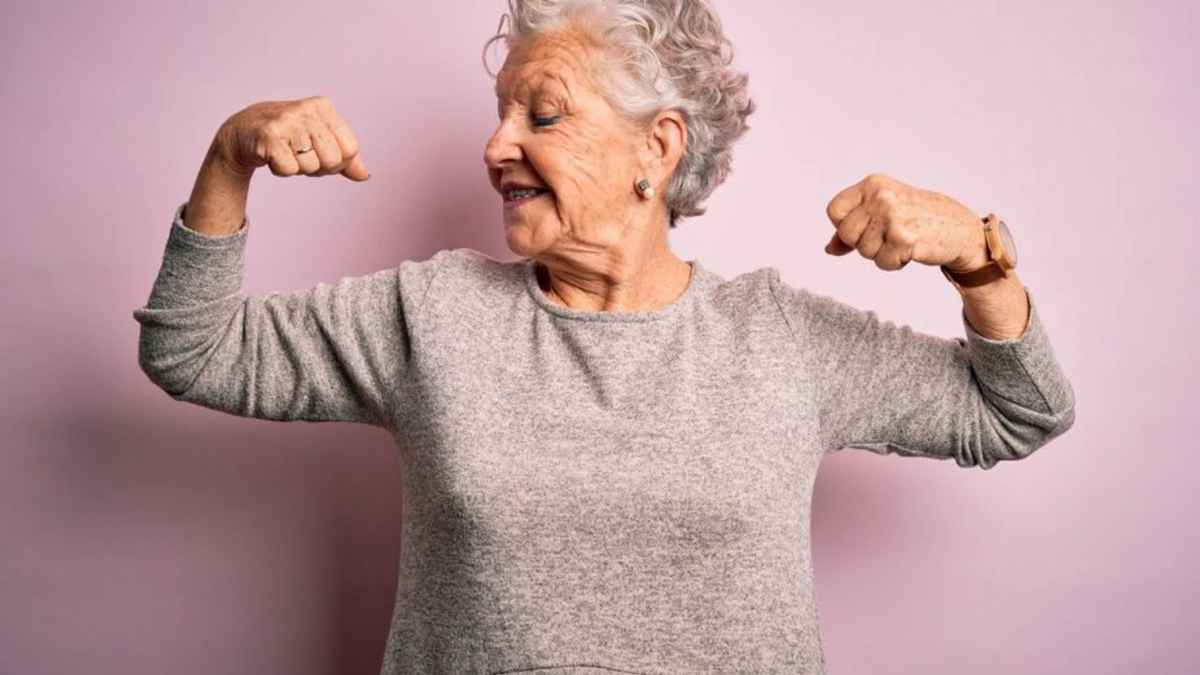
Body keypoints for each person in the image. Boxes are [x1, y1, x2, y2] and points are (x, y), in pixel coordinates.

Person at [131, 1, 1076, 673]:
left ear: (657, 150)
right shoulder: (434, 316)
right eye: (500, 112)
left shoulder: (778, 340)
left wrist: (979, 259)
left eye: (540, 114)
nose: (497, 146)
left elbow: (1023, 410)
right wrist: (231, 154)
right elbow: (193, 348)